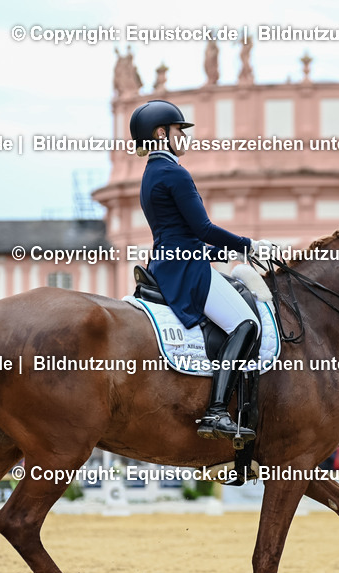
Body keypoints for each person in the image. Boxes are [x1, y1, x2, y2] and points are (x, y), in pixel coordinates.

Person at [129, 100, 278, 442]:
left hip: (170, 261)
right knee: (246, 323)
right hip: (185, 270)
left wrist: (222, 250)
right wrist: (249, 245)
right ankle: (216, 411)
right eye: (179, 129)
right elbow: (203, 228)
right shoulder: (174, 173)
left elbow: (180, 236)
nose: (184, 136)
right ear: (161, 133)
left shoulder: (152, 174)